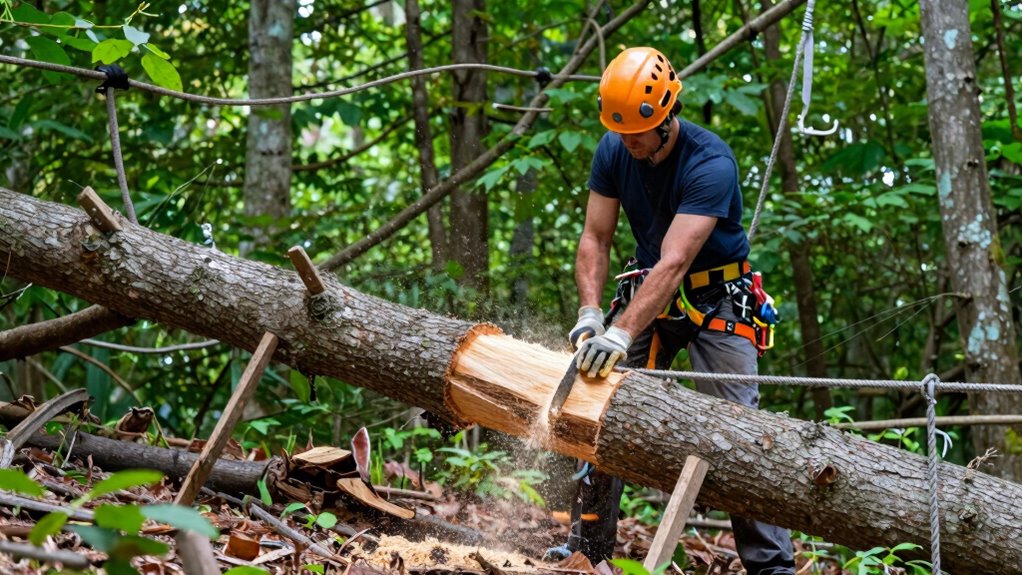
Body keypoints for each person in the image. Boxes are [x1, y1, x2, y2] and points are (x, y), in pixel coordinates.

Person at [544, 47, 795, 575]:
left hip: (716, 295)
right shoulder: (614, 149)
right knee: (597, 398)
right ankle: (586, 549)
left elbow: (677, 261)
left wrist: (620, 333)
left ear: (666, 117)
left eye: (640, 132)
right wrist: (592, 314)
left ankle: (771, 566)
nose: (629, 142)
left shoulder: (711, 163)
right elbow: (595, 236)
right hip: (647, 287)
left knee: (739, 428)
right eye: (621, 131)